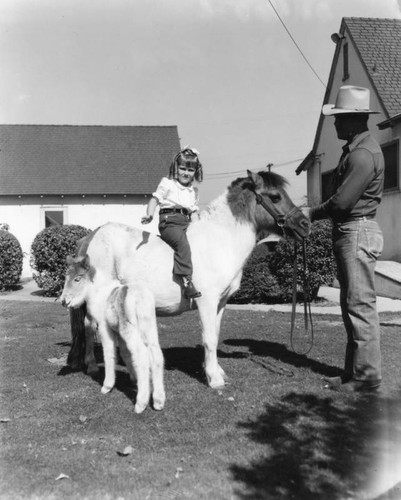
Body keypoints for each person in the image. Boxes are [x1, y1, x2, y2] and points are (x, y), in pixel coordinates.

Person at [309, 85, 385, 393]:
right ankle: (353, 373)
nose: (336, 124)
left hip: (357, 230)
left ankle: (366, 377)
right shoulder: (355, 151)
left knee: (359, 305)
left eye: (340, 118)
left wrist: (312, 213)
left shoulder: (363, 156)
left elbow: (341, 202)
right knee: (351, 305)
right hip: (351, 231)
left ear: (355, 119)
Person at [141, 146, 203, 299]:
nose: (186, 173)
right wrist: (149, 214)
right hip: (169, 223)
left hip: (185, 222)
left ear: (196, 172)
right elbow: (154, 200)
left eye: (190, 170)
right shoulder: (168, 184)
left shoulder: (193, 192)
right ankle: (187, 281)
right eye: (183, 169)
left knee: (198, 244)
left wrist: (199, 229)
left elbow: (193, 213)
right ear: (176, 168)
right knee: (182, 243)